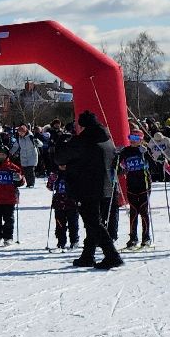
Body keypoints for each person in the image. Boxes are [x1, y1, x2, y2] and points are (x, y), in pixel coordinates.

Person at [58, 110, 122, 269]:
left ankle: (111, 255)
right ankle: (88, 255)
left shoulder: (83, 140)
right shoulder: (107, 139)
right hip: (106, 186)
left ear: (82, 125)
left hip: (86, 186)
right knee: (93, 222)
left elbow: (60, 157)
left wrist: (63, 146)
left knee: (93, 222)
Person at [117, 134, 154, 250]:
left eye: (136, 139)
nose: (133, 141)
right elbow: (117, 163)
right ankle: (133, 239)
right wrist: (117, 157)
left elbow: (153, 165)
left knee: (143, 211)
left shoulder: (144, 150)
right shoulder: (126, 151)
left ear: (141, 140)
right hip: (131, 185)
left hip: (144, 185)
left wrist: (146, 153)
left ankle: (146, 238)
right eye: (131, 138)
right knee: (133, 212)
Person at [0, 147, 24, 248]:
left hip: (9, 198)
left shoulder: (13, 167)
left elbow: (21, 181)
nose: (1, 156)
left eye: (3, 154)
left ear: (7, 156)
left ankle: (8, 237)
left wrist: (19, 179)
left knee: (8, 219)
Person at [45, 164, 79, 252]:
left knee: (73, 224)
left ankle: (74, 241)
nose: (62, 166)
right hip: (59, 204)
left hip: (71, 203)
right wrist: (52, 180)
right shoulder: (56, 174)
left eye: (64, 164)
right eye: (60, 164)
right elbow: (50, 187)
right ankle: (61, 242)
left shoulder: (73, 173)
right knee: (60, 224)